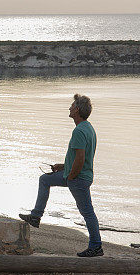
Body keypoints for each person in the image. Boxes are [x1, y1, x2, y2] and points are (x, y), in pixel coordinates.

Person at [20, 94, 102, 257]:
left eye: (72, 106)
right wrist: (62, 167)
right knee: (45, 180)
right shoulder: (88, 127)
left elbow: (80, 158)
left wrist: (70, 176)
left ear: (77, 110)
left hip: (78, 178)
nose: (69, 108)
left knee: (87, 212)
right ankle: (36, 216)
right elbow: (81, 158)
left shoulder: (79, 131)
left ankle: (96, 246)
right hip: (76, 174)